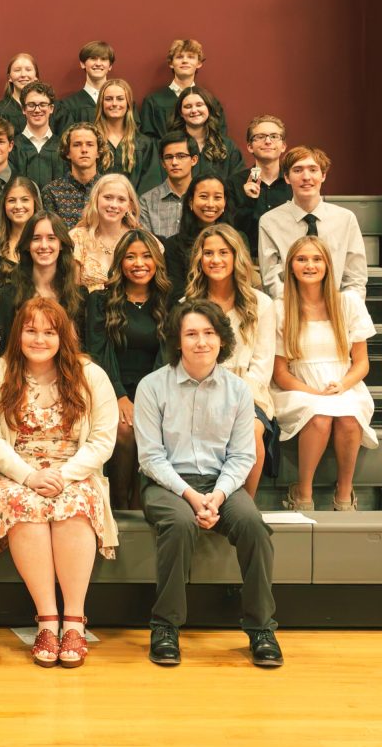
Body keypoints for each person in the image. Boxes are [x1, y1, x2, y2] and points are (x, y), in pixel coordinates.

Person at [0, 297, 118, 667]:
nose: (39, 339)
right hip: (13, 471)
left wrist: (64, 476)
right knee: (23, 502)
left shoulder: (90, 375)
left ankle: (75, 622)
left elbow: (103, 440)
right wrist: (29, 476)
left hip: (74, 470)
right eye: (31, 330)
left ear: (63, 336)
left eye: (49, 332)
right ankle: (48, 621)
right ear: (17, 334)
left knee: (75, 502)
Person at [133, 299, 281, 668]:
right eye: (191, 334)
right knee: (180, 522)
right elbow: (150, 458)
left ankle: (261, 629)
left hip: (220, 484)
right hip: (166, 484)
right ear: (177, 340)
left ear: (222, 339)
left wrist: (216, 495)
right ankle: (165, 627)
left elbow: (242, 456)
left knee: (253, 525)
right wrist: (190, 496)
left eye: (209, 333)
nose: (201, 341)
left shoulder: (238, 390)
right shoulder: (152, 386)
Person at [272, 237, 376, 511]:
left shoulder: (348, 303)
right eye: (302, 259)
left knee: (349, 419)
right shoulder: (280, 308)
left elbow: (362, 363)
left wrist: (342, 385)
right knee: (319, 417)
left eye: (317, 259)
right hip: (298, 388)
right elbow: (280, 373)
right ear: (290, 266)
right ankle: (303, 493)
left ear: (328, 265)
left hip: (343, 384)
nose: (310, 265)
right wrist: (314, 393)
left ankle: (344, 494)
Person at [185, 224, 276, 497]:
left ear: (236, 257)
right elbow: (185, 360)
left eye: (223, 252)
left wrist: (231, 398)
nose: (216, 259)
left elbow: (262, 366)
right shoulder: (187, 304)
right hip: (198, 390)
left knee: (251, 431)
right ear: (199, 259)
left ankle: (244, 505)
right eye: (208, 253)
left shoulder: (261, 304)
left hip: (249, 392)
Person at [85, 229, 169, 508]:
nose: (139, 263)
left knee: (148, 428)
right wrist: (119, 395)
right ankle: (119, 502)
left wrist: (147, 400)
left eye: (146, 256)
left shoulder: (167, 302)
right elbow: (98, 352)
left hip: (156, 390)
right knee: (124, 429)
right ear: (120, 262)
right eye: (130, 257)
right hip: (111, 387)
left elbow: (167, 357)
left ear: (156, 261)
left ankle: (140, 502)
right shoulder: (100, 300)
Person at [258, 146, 367, 301]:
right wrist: (294, 307)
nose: (306, 177)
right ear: (287, 177)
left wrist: (342, 308)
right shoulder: (270, 222)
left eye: (313, 170)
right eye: (298, 170)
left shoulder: (345, 219)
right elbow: (271, 279)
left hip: (337, 307)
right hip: (288, 306)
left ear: (323, 175)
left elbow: (356, 278)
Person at [0, 211, 85, 352]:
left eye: (51, 238)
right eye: (36, 238)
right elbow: (4, 348)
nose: (43, 245)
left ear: (61, 244)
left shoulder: (80, 297)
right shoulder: (9, 295)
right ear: (27, 245)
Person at [164, 174, 236, 301]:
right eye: (203, 196)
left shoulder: (236, 240)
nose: (210, 204)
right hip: (191, 308)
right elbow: (176, 294)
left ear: (224, 202)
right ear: (190, 201)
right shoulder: (173, 245)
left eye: (217, 197)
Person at [70, 173, 142, 292]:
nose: (113, 205)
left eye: (121, 199)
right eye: (108, 197)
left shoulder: (139, 239)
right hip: (86, 303)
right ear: (96, 200)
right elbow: (73, 291)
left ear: (129, 206)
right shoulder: (77, 237)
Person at [228, 115, 290, 250]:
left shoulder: (293, 181)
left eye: (274, 136)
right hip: (248, 258)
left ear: (283, 146)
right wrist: (248, 201)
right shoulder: (234, 183)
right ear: (250, 147)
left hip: (288, 256)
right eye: (260, 137)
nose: (268, 141)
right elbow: (232, 230)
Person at [95, 79, 161, 195]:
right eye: (108, 99)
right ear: (101, 104)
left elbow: (150, 186)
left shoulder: (143, 144)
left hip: (134, 205)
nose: (114, 103)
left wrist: (131, 204)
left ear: (128, 104)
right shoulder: (92, 141)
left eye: (120, 99)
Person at [0, 176, 38, 303]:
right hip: (0, 311)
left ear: (35, 202)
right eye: (11, 200)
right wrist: (8, 311)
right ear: (4, 205)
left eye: (25, 199)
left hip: (38, 312)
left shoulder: (45, 243)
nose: (18, 206)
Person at [168, 86, 243, 182]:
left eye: (199, 105)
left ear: (208, 108)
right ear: (181, 113)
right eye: (188, 106)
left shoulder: (227, 146)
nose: (194, 110)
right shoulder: (170, 146)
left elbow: (237, 183)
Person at [41, 122, 106, 230]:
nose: (84, 150)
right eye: (77, 145)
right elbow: (50, 233)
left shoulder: (110, 189)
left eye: (90, 144)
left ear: (98, 152)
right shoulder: (52, 191)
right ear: (67, 152)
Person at [139, 39, 206, 140]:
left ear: (199, 63)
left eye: (191, 57)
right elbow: (148, 141)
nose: (185, 61)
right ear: (171, 63)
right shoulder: (153, 102)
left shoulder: (208, 102)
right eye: (179, 57)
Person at [138, 131, 199, 240]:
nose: (174, 162)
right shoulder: (146, 201)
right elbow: (146, 244)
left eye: (181, 156)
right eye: (168, 157)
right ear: (162, 163)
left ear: (194, 160)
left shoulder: (204, 197)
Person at [12, 81, 64, 189]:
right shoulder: (12, 147)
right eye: (31, 105)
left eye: (43, 104)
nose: (37, 110)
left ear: (51, 108)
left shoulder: (63, 147)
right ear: (23, 109)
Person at [58, 41, 116, 130]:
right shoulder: (68, 105)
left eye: (103, 59)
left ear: (110, 66)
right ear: (82, 64)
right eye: (93, 58)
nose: (98, 63)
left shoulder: (123, 102)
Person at [0, 52, 39, 134]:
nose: (23, 74)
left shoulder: (47, 109)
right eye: (17, 70)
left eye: (28, 70)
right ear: (9, 77)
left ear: (36, 75)